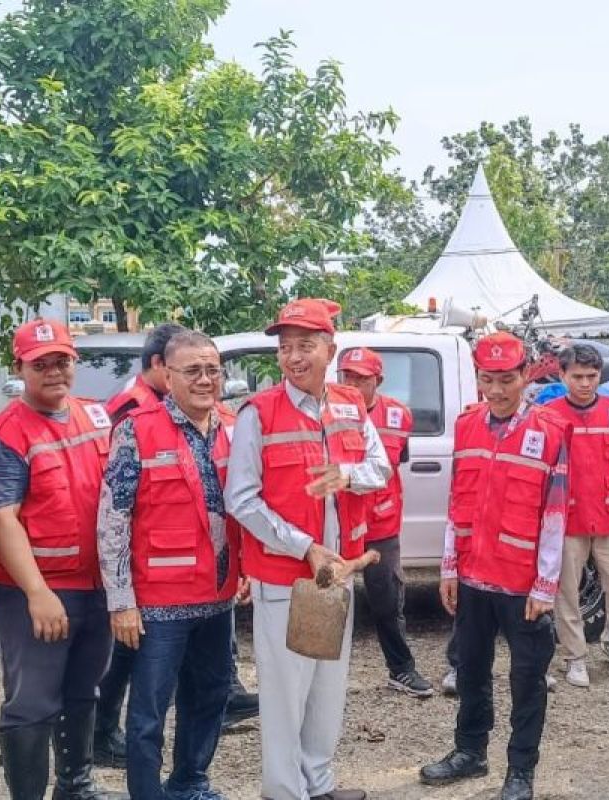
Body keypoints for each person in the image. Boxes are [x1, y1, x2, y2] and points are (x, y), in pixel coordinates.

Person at [226, 298, 389, 800]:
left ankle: (318, 785)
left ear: (329, 348)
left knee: (326, 691)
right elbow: (241, 499)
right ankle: (284, 792)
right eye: (285, 348)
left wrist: (349, 475)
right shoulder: (259, 413)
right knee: (285, 697)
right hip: (286, 580)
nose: (294, 357)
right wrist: (305, 547)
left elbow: (380, 469)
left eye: (305, 346)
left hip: (337, 575)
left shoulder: (350, 404)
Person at [0, 318, 126, 800]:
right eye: (42, 364)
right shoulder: (5, 436)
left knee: (85, 691)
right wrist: (38, 593)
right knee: (34, 703)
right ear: (20, 367)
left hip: (96, 588)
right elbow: (0, 519)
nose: (55, 372)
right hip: (35, 594)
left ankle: (76, 785)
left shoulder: (95, 416)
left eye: (62, 361)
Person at [94, 323, 257, 767]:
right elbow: (113, 518)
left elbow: (239, 507)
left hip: (216, 597)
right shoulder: (136, 430)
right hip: (159, 602)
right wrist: (121, 600)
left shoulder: (232, 428)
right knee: (148, 713)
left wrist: (242, 568)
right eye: (192, 371)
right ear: (167, 376)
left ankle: (190, 783)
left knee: (209, 698)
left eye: (213, 370)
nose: (205, 380)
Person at [419, 331, 569, 800]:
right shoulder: (467, 426)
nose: (498, 390)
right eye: (489, 379)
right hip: (472, 577)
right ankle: (470, 751)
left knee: (527, 679)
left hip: (523, 583)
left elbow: (556, 513)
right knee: (471, 671)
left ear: (525, 375)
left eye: (507, 379)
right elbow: (457, 501)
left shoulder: (551, 431)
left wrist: (545, 587)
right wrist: (448, 567)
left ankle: (520, 770)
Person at [336, 347, 434, 697]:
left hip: (381, 522)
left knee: (387, 601)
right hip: (340, 521)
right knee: (328, 600)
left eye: (361, 378)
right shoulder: (328, 411)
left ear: (378, 380)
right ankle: (324, 680)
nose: (353, 383)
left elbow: (394, 465)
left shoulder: (399, 415)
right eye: (347, 376)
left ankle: (401, 670)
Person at [542, 343, 609, 688]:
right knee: (566, 590)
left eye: (592, 376)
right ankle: (575, 656)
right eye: (576, 376)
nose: (584, 383)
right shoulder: (548, 413)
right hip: (567, 518)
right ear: (562, 375)